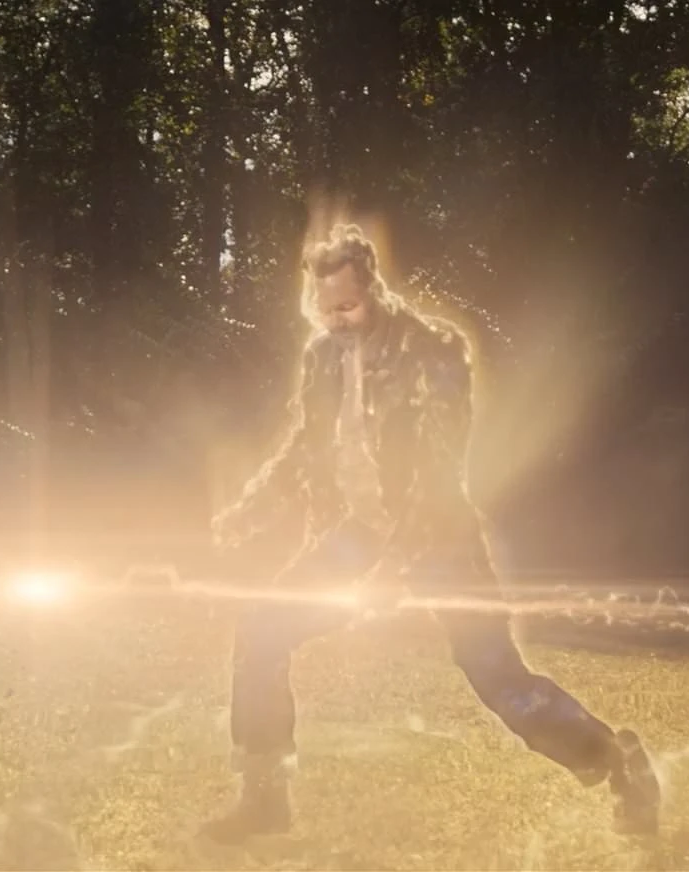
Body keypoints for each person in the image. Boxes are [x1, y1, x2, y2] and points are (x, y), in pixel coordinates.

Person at [202, 224, 661, 843]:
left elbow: (438, 472)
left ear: (374, 288)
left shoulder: (433, 349)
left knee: (497, 678)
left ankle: (616, 762)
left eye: (348, 305)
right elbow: (304, 450)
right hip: (356, 534)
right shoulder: (322, 357)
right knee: (263, 628)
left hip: (438, 540)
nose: (336, 319)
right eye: (325, 307)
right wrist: (245, 513)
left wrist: (395, 569)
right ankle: (264, 799)